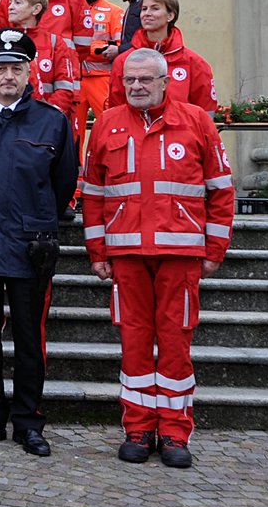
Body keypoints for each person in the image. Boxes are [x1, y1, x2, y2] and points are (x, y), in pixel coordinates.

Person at [83, 48, 233, 468]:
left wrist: (214, 249)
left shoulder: (196, 121)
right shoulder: (107, 123)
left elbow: (221, 190)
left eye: (146, 80)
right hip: (127, 253)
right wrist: (98, 251)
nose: (136, 87)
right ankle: (138, 427)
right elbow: (93, 194)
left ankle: (173, 431)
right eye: (130, 80)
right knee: (132, 342)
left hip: (180, 252)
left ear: (166, 81)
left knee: (174, 343)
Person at [0, 29, 79, 458]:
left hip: (31, 248)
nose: (8, 75)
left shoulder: (51, 121)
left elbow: (62, 185)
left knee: (29, 340)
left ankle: (28, 422)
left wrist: (35, 221)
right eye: (1, 67)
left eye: (16, 68)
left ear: (29, 72)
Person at [107, 0, 217, 116]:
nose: (147, 13)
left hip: (180, 133)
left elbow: (205, 114)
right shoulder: (123, 61)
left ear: (170, 15)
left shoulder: (194, 63)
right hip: (135, 134)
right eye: (144, 9)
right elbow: (116, 110)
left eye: (155, 8)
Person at [3, 0, 82, 126]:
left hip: (45, 121)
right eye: (10, 2)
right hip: (9, 120)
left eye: (18, 2)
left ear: (36, 9)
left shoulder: (54, 42)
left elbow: (65, 88)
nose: (10, 7)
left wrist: (46, 115)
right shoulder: (3, 41)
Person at [72, 0, 124, 150]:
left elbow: (120, 46)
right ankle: (75, 173)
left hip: (101, 80)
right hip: (75, 80)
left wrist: (98, 50)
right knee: (73, 130)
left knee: (110, 126)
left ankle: (108, 168)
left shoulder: (113, 12)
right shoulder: (72, 10)